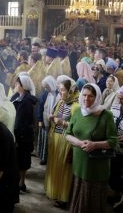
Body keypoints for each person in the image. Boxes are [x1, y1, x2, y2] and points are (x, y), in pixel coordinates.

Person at [66, 83, 117, 213]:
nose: (86, 99)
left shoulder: (106, 115)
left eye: (91, 96)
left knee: (91, 200)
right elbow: (67, 134)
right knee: (78, 194)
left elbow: (113, 140)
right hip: (79, 164)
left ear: (97, 97)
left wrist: (95, 145)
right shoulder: (78, 112)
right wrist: (78, 143)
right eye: (84, 95)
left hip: (96, 167)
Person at [44, 77, 79, 208]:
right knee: (55, 165)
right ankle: (55, 192)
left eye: (63, 90)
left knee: (64, 169)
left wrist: (63, 123)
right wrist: (53, 117)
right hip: (56, 138)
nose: (60, 92)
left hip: (66, 141)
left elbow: (77, 127)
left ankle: (63, 197)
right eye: (59, 90)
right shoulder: (61, 102)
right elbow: (56, 117)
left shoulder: (76, 107)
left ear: (71, 91)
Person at [10, 73, 37, 192]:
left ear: (23, 86)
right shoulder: (17, 95)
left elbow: (20, 121)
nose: (15, 85)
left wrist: (15, 136)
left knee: (22, 159)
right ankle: (19, 182)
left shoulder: (26, 101)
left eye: (17, 83)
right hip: (19, 133)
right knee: (19, 159)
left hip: (23, 135)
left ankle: (21, 183)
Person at [37, 75, 58, 165]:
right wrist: (40, 120)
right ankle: (44, 158)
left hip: (55, 121)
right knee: (45, 140)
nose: (46, 88)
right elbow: (40, 108)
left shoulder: (57, 93)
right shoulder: (44, 94)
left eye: (47, 86)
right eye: (45, 87)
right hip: (45, 121)